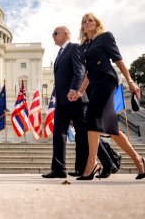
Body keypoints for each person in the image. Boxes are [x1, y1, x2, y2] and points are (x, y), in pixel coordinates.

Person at [73, 13, 145, 180]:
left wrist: (130, 80)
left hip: (107, 81)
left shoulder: (105, 37)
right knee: (112, 129)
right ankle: (139, 160)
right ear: (82, 27)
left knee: (91, 117)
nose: (87, 23)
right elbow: (88, 73)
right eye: (84, 22)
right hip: (94, 84)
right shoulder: (84, 46)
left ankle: (91, 165)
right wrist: (80, 91)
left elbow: (118, 59)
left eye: (90, 20)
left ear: (97, 23)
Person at [42, 26, 89, 178]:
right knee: (58, 134)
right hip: (62, 100)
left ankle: (82, 168)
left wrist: (75, 89)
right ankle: (58, 169)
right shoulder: (60, 53)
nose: (53, 36)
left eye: (55, 33)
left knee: (82, 133)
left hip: (74, 97)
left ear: (66, 34)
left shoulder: (74, 47)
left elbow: (80, 71)